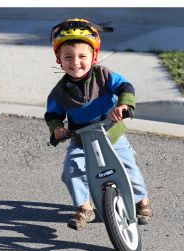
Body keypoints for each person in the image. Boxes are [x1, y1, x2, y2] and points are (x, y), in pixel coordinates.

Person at [44, 19, 153, 230]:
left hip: (111, 133)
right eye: (68, 57)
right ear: (59, 59)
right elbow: (53, 114)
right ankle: (84, 207)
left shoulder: (103, 75)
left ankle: (141, 200)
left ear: (93, 56)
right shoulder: (59, 91)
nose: (75, 62)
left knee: (128, 167)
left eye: (82, 56)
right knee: (72, 170)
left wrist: (123, 105)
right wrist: (57, 129)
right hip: (80, 139)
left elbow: (125, 86)